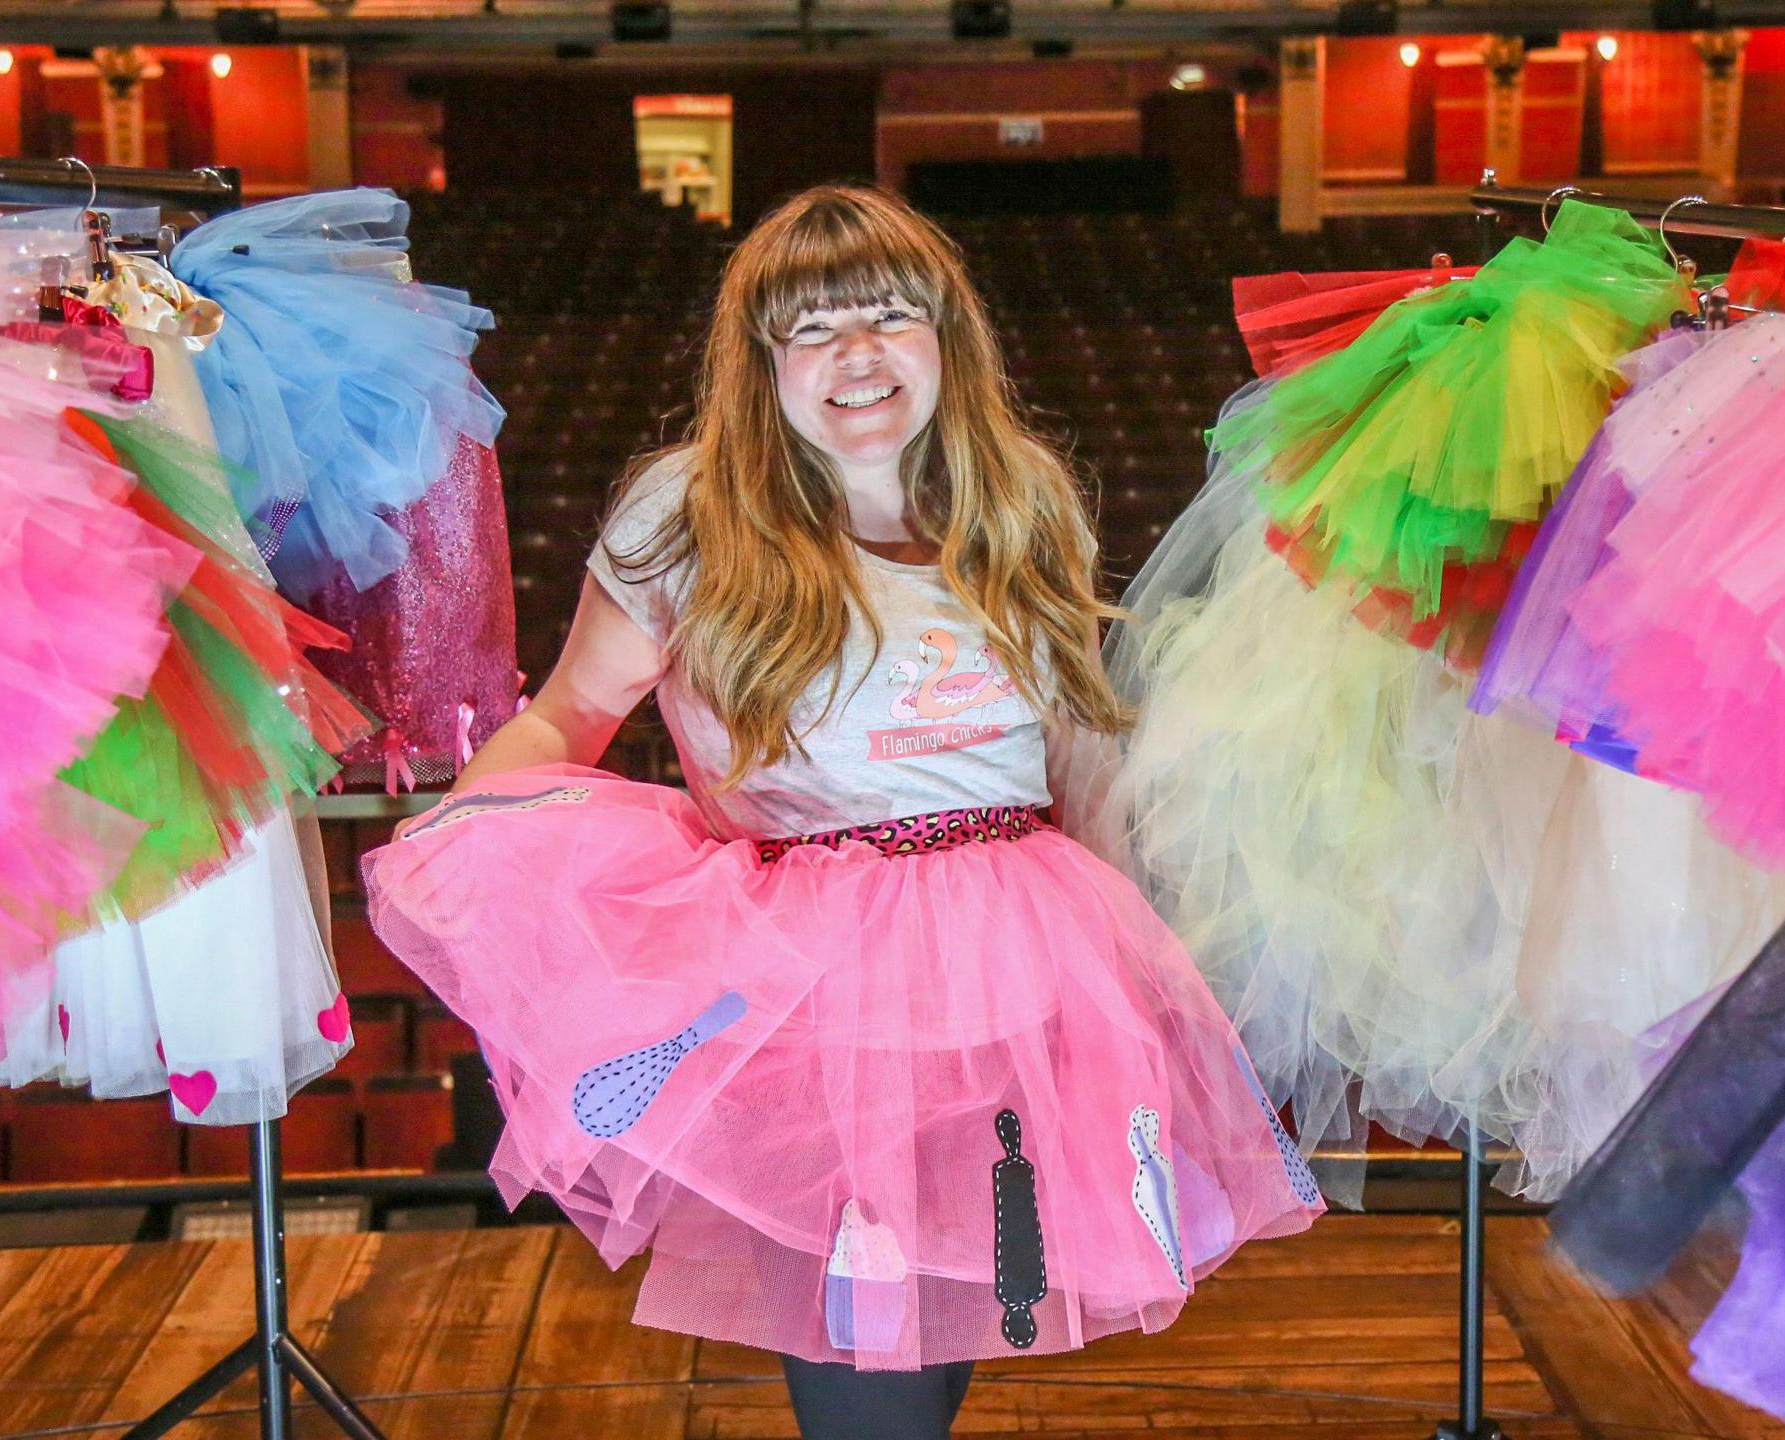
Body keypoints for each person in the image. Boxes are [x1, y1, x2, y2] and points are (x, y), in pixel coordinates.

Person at [363, 185, 1321, 1440]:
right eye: (812, 330)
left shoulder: (1021, 494)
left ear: (945, 338)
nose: (857, 355)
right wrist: (467, 836)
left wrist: (1142, 965)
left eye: (888, 316)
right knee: (864, 1313)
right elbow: (566, 722)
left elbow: (1076, 751)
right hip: (816, 973)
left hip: (1022, 959)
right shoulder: (688, 513)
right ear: (761, 366)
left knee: (965, 1281)